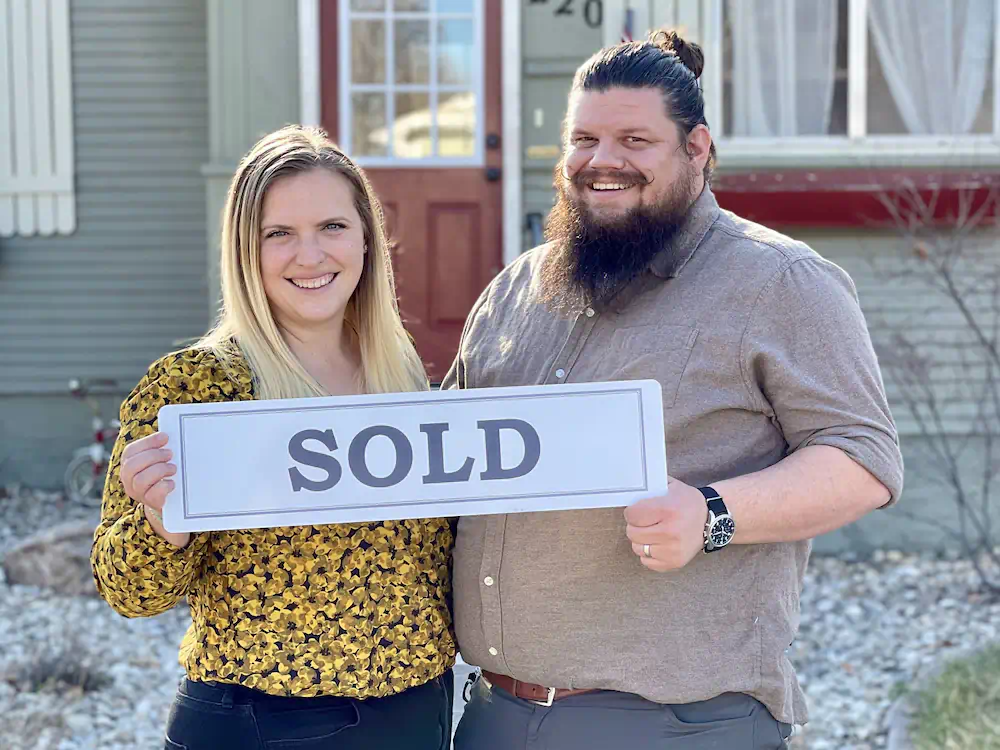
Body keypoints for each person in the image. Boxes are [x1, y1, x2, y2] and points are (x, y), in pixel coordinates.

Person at [444, 30, 904, 750]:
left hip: (676, 726)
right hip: (493, 717)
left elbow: (864, 459)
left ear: (697, 149)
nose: (602, 162)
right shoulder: (514, 288)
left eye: (634, 139)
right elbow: (443, 461)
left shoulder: (781, 282)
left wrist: (713, 513)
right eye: (584, 139)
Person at [91, 126, 456, 750]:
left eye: (332, 228)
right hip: (265, 721)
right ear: (245, 252)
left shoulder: (403, 381)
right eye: (278, 234)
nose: (309, 256)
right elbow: (127, 591)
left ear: (367, 239)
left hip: (417, 712)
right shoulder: (200, 384)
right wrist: (160, 524)